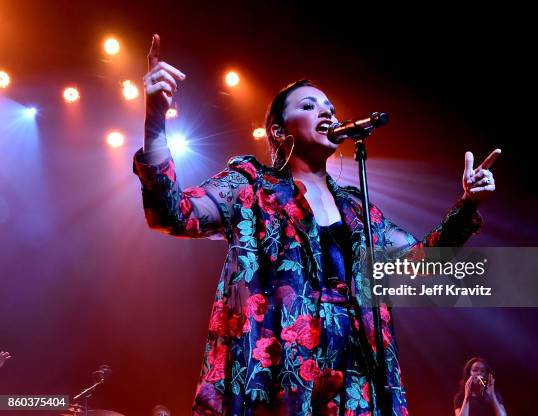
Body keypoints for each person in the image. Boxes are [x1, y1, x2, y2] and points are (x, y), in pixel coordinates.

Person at [133, 34, 500, 416]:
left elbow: (420, 264)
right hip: (281, 378)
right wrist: (155, 120)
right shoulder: (250, 186)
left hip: (357, 379)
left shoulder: (358, 211)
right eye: (309, 106)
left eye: (330, 107)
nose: (327, 113)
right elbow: (173, 213)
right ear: (279, 130)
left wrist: (467, 204)